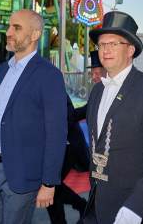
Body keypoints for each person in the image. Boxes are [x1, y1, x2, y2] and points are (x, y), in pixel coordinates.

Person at [83, 11, 143, 224]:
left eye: (114, 44)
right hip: (97, 205)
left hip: (133, 210)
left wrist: (136, 207)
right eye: (102, 44)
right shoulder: (97, 91)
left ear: (130, 50)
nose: (106, 50)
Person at [0, 9, 67, 224]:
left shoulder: (49, 75)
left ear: (35, 34)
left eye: (17, 27)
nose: (9, 32)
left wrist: (49, 183)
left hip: (23, 174)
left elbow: (56, 132)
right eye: (9, 26)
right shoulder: (4, 69)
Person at [47, 51, 105, 224]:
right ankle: (78, 206)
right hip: (63, 146)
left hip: (71, 146)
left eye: (97, 72)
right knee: (51, 184)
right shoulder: (98, 91)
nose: (93, 77)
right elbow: (81, 112)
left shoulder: (109, 91)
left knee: (51, 184)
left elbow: (72, 115)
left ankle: (80, 205)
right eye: (92, 73)